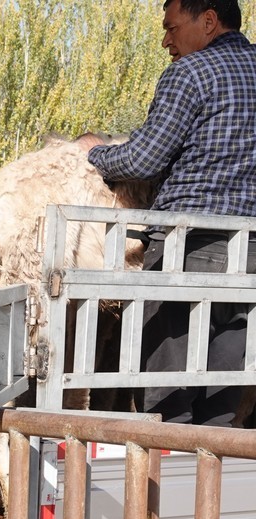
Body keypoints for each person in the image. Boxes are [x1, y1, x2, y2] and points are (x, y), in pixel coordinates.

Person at [82, 0, 256, 426]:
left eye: (172, 28)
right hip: (252, 254)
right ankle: (212, 489)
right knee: (223, 396)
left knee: (168, 393)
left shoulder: (191, 73)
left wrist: (95, 152)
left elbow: (144, 159)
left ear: (209, 21)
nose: (166, 41)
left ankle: (167, 487)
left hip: (188, 246)